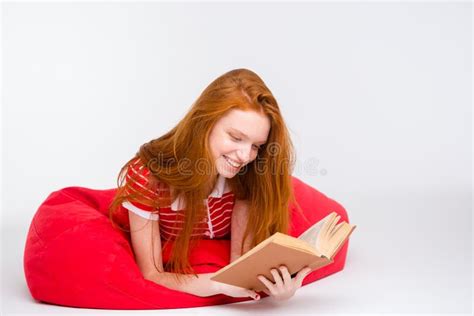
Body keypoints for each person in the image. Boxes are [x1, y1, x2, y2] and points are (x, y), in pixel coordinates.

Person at [108, 68, 312, 302]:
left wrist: (277, 287)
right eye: (235, 137)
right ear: (204, 124)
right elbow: (152, 274)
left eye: (256, 145)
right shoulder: (147, 177)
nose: (245, 156)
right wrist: (215, 282)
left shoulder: (250, 173)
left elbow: (240, 266)